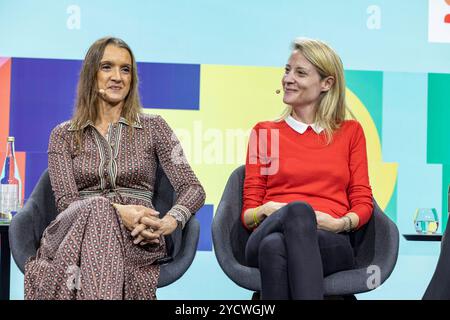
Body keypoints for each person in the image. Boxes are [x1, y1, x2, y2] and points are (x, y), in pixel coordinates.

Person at [24, 37, 206, 300]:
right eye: (107, 67)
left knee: (101, 220)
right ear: (91, 74)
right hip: (74, 231)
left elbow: (193, 188)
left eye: (125, 69)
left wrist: (169, 221)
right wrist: (116, 211)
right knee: (98, 210)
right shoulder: (63, 134)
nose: (117, 77)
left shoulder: (155, 127)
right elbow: (66, 202)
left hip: (136, 238)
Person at [241, 37, 373, 299]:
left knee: (274, 248)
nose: (288, 79)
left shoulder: (350, 132)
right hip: (270, 226)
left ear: (327, 83)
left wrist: (338, 224)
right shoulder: (266, 132)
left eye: (300, 73)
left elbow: (362, 201)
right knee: (298, 212)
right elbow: (247, 215)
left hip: (330, 239)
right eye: (287, 70)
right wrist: (269, 210)